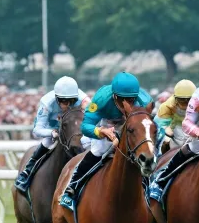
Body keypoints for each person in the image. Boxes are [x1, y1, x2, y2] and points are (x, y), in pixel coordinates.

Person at [58, 72, 151, 208]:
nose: (127, 103)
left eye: (131, 99)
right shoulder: (101, 99)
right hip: (107, 122)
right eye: (122, 99)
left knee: (147, 152)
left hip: (131, 124)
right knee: (98, 150)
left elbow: (150, 127)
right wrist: (101, 131)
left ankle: (153, 188)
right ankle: (72, 188)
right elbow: (85, 126)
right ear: (114, 95)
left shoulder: (144, 101)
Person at [13, 76, 89, 194]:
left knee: (86, 141)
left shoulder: (84, 100)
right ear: (57, 99)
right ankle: (27, 172)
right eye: (64, 101)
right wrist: (51, 132)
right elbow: (37, 130)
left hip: (72, 127)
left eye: (72, 101)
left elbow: (95, 117)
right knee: (48, 141)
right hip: (52, 126)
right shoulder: (47, 103)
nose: (68, 105)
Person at [154, 79, 196, 154]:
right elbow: (157, 126)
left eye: (189, 99)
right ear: (175, 98)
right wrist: (165, 132)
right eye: (182, 100)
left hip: (194, 130)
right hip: (175, 131)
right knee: (165, 141)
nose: (186, 103)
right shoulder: (167, 106)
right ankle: (161, 160)